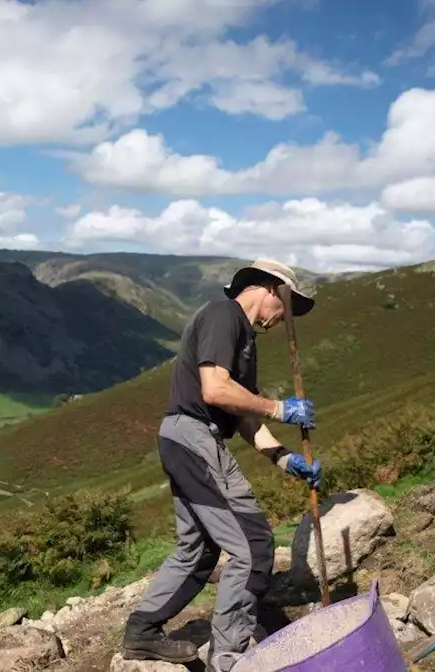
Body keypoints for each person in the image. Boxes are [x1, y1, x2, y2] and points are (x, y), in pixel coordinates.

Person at [120, 259, 322, 671]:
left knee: (198, 549)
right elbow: (215, 390)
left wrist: (284, 459)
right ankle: (228, 659)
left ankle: (142, 631)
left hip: (185, 438)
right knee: (253, 547)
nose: (284, 318)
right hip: (194, 436)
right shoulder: (222, 315)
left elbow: (244, 417)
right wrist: (280, 407)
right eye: (286, 306)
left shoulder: (243, 338)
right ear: (270, 289)